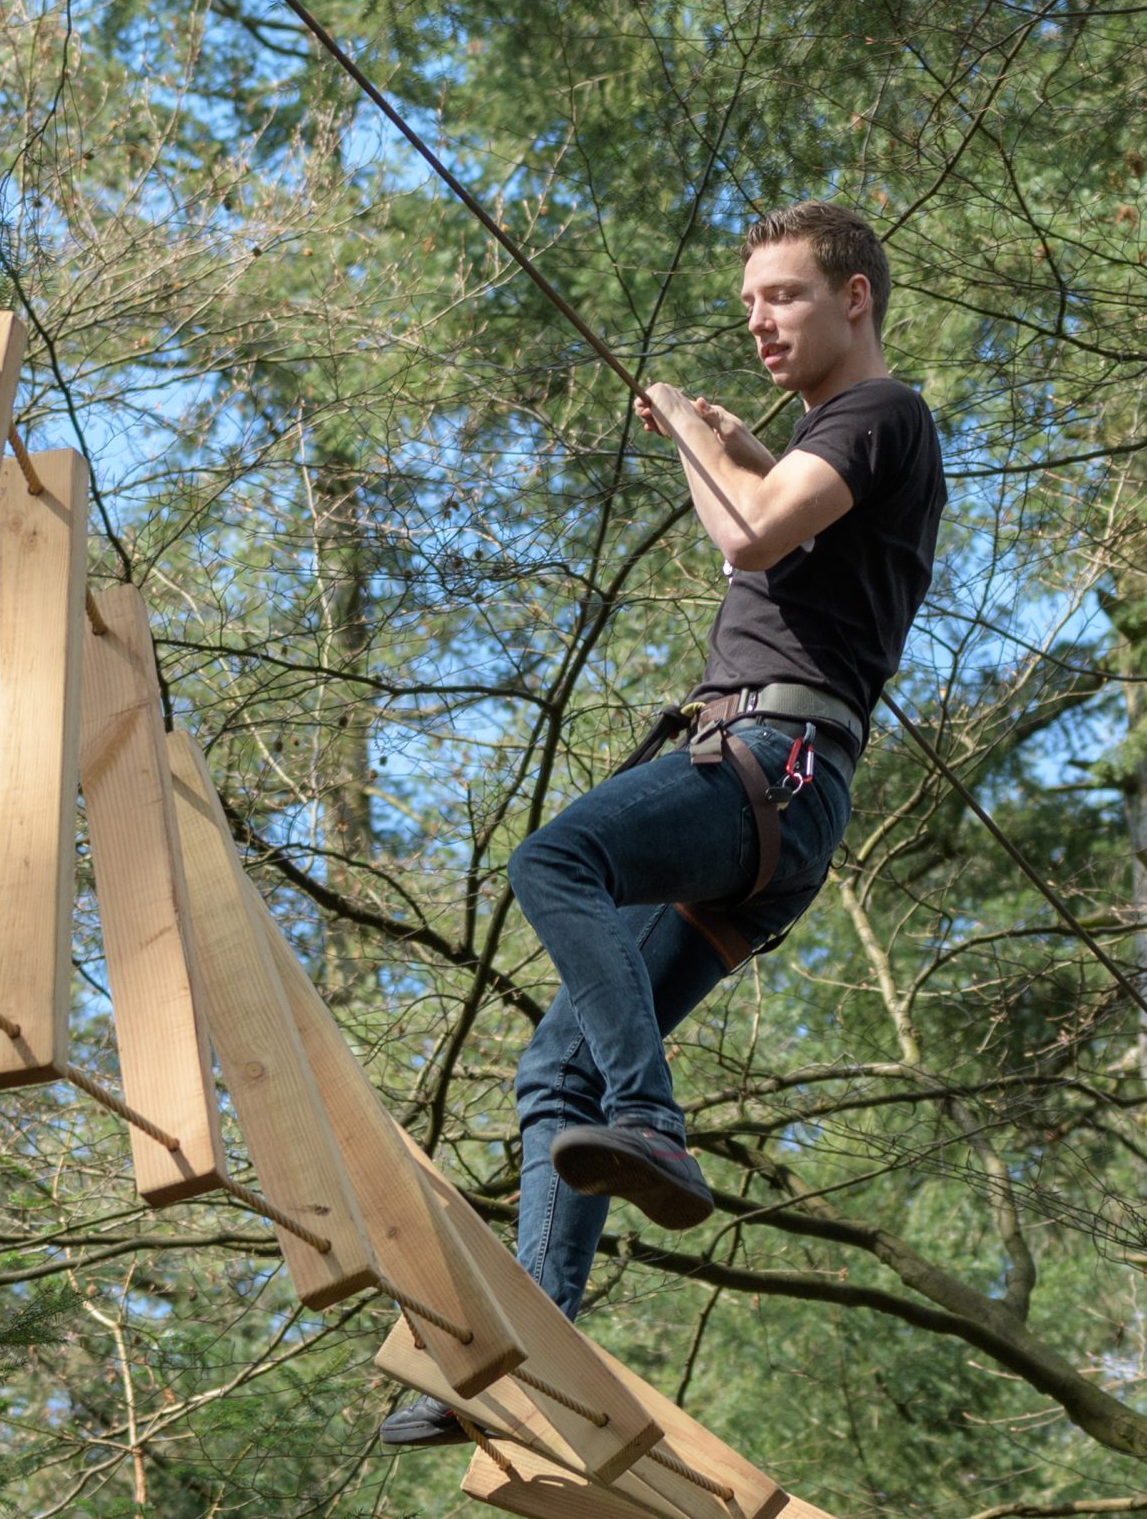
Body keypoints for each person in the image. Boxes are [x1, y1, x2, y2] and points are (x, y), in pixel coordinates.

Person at [378, 200, 947, 1448]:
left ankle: (649, 1120)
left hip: (769, 760)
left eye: (784, 296)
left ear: (855, 298)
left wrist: (695, 436)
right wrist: (734, 444)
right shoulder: (842, 439)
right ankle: (540, 1356)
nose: (758, 320)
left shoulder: (878, 414)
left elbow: (747, 538)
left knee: (557, 857)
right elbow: (770, 513)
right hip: (782, 796)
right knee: (549, 1072)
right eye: (748, 302)